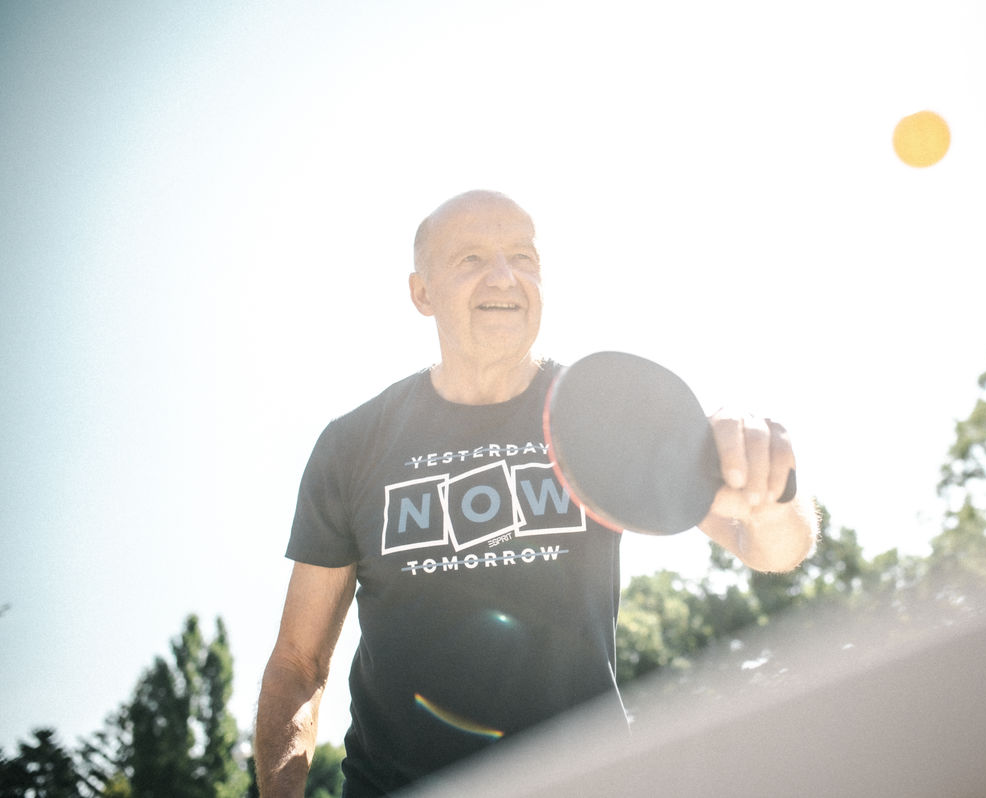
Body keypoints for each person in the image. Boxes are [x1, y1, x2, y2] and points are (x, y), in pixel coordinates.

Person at [254, 190, 818, 796]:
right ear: (422, 293)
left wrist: (772, 492)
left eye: (523, 257)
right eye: (471, 258)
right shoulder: (353, 443)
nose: (505, 276)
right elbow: (298, 663)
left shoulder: (604, 413)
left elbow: (773, 548)